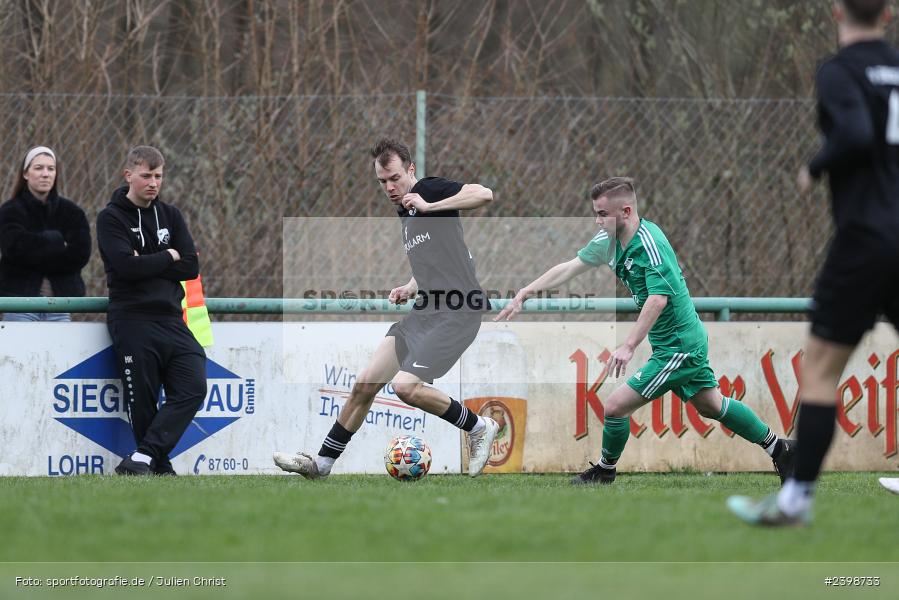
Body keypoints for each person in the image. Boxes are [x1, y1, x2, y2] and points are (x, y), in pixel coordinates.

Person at [496, 177, 795, 485]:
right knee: (712, 405)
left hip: (679, 346)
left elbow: (658, 299)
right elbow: (571, 266)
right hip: (677, 342)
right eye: (595, 213)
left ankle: (605, 470)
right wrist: (526, 292)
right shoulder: (609, 241)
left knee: (614, 407)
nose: (597, 221)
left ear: (626, 211)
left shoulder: (650, 243)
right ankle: (781, 449)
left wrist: (628, 345)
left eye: (602, 214)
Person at [728, 0, 899, 526]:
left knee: (823, 370)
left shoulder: (839, 71)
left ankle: (796, 499)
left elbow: (854, 134)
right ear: (888, 14)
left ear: (835, 10)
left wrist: (813, 167)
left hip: (865, 241)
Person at [274, 138, 500, 478]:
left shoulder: (429, 191)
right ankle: (320, 465)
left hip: (459, 309)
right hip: (426, 310)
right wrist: (410, 285)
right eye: (382, 181)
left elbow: (484, 193)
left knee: (406, 387)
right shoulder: (405, 211)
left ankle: (479, 426)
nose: (389, 187)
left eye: (394, 178)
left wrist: (429, 205)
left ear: (409, 170)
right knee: (366, 383)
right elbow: (443, 255)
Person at [96, 146, 206, 476]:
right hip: (132, 318)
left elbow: (190, 265)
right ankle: (158, 465)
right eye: (146, 175)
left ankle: (145, 457)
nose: (153, 183)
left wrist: (152, 261)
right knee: (142, 400)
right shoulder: (111, 217)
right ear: (128, 175)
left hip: (171, 318)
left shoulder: (170, 215)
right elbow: (126, 268)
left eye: (158, 176)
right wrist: (167, 256)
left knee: (193, 386)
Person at [0, 146, 91, 320]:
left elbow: (80, 254)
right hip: (19, 305)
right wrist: (56, 242)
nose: (45, 174)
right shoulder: (10, 211)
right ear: (25, 174)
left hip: (60, 307)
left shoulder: (72, 212)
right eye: (38, 168)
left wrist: (34, 251)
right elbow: (13, 248)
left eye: (51, 168)